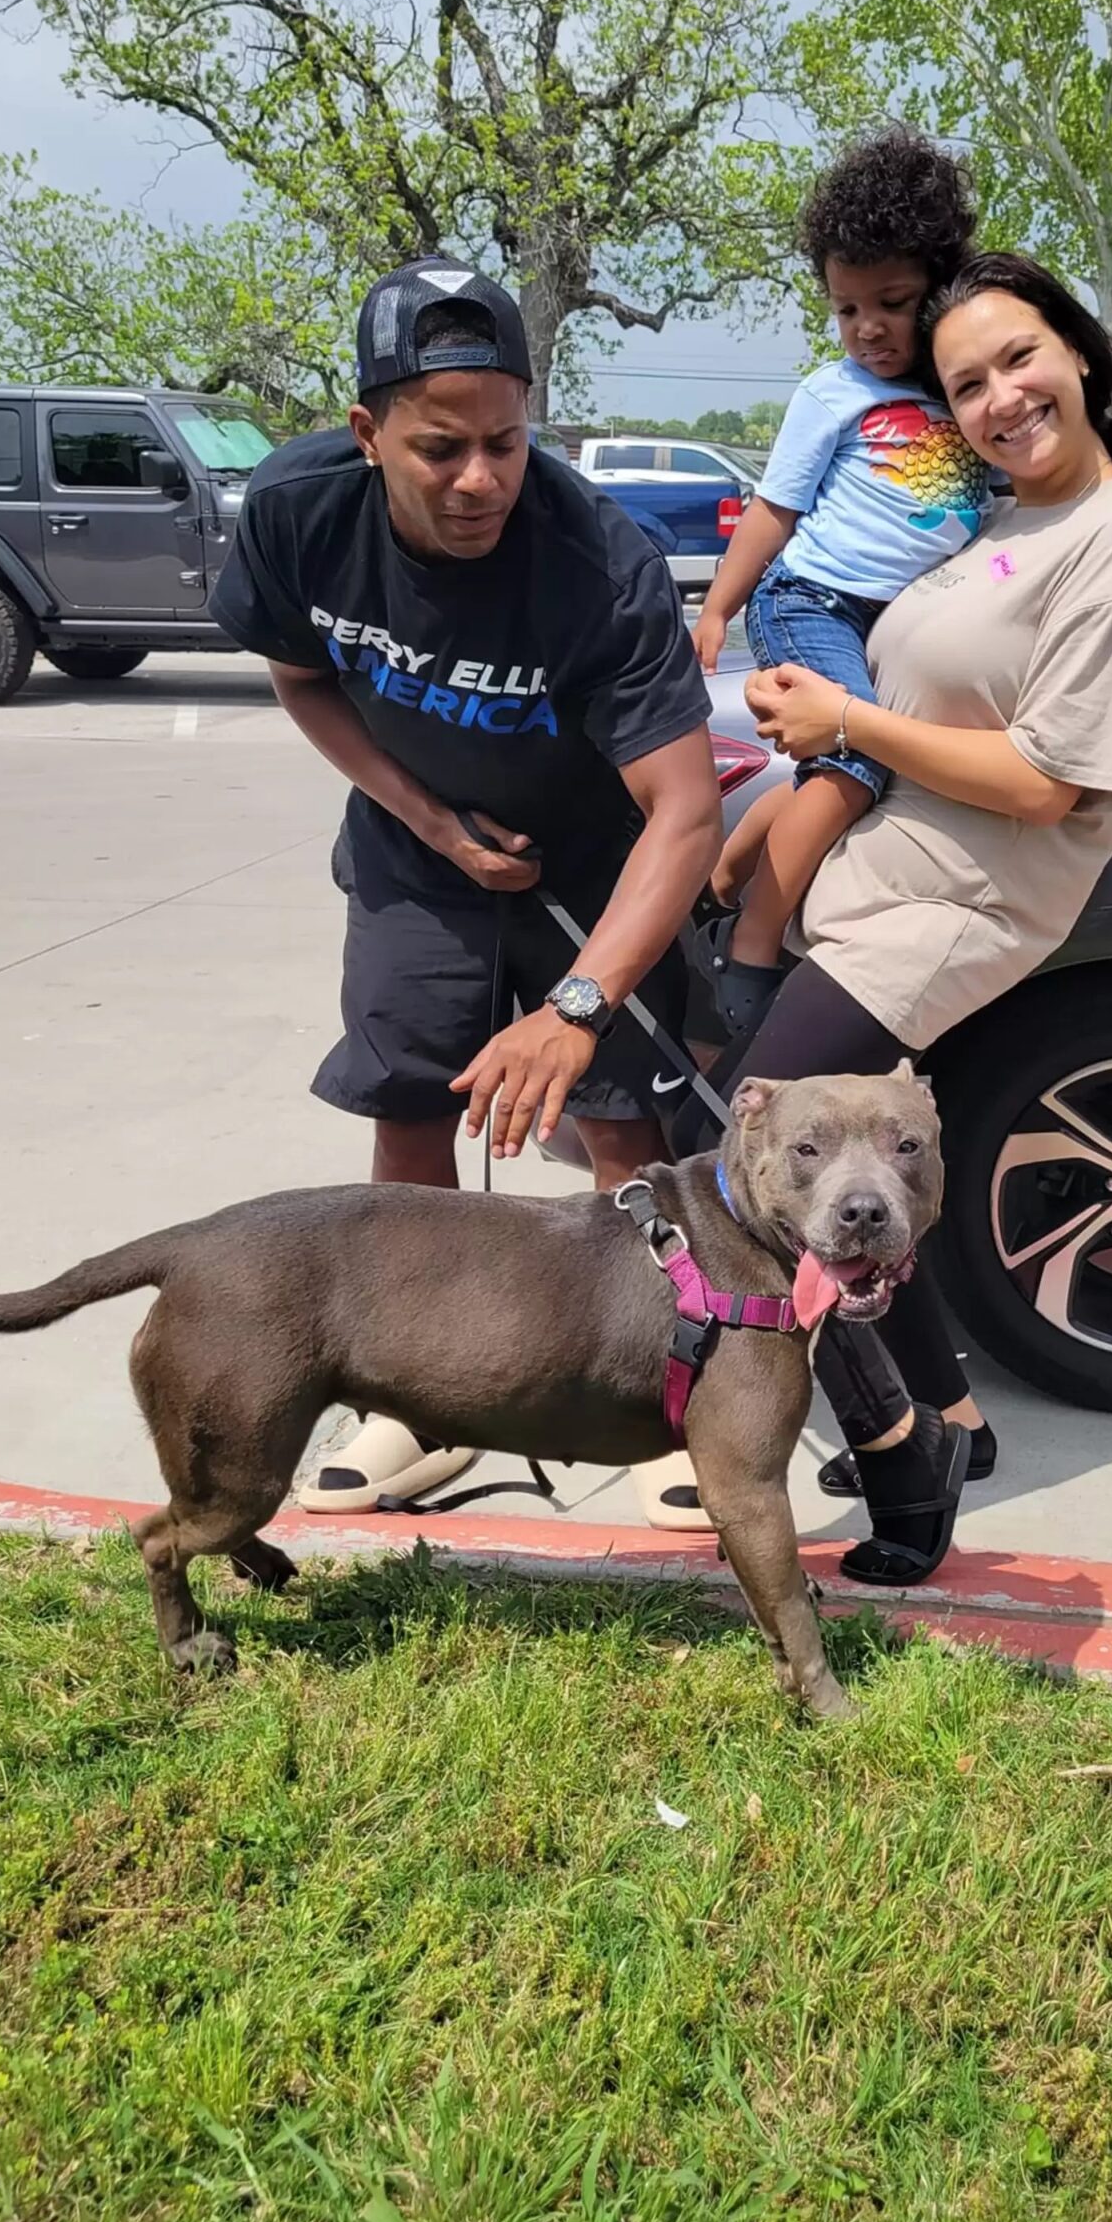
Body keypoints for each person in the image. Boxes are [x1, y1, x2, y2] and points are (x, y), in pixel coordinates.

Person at [724, 250, 1112, 1586]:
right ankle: (951, 1413)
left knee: (759, 1163)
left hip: (960, 905)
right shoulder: (1010, 521)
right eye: (967, 384)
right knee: (874, 1175)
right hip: (890, 886)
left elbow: (1051, 777)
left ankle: (898, 1456)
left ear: (1078, 351)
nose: (1001, 397)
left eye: (1019, 359)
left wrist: (841, 719)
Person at [209, 258, 722, 1515]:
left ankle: (654, 1393)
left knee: (617, 1122)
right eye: (441, 448)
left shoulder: (601, 559)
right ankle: (421, 1400)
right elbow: (304, 679)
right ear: (368, 431)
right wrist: (431, 821)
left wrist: (582, 1002)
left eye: (505, 440)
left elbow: (688, 808)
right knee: (411, 1096)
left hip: (598, 857)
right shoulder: (293, 514)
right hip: (411, 844)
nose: (480, 477)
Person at [693, 127, 990, 1033]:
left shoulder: (970, 394)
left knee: (860, 770)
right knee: (860, 760)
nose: (867, 328)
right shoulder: (832, 394)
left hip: (890, 619)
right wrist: (717, 608)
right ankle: (755, 943)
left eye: (892, 303)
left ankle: (724, 873)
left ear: (940, 292)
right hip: (812, 600)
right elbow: (774, 513)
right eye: (845, 308)